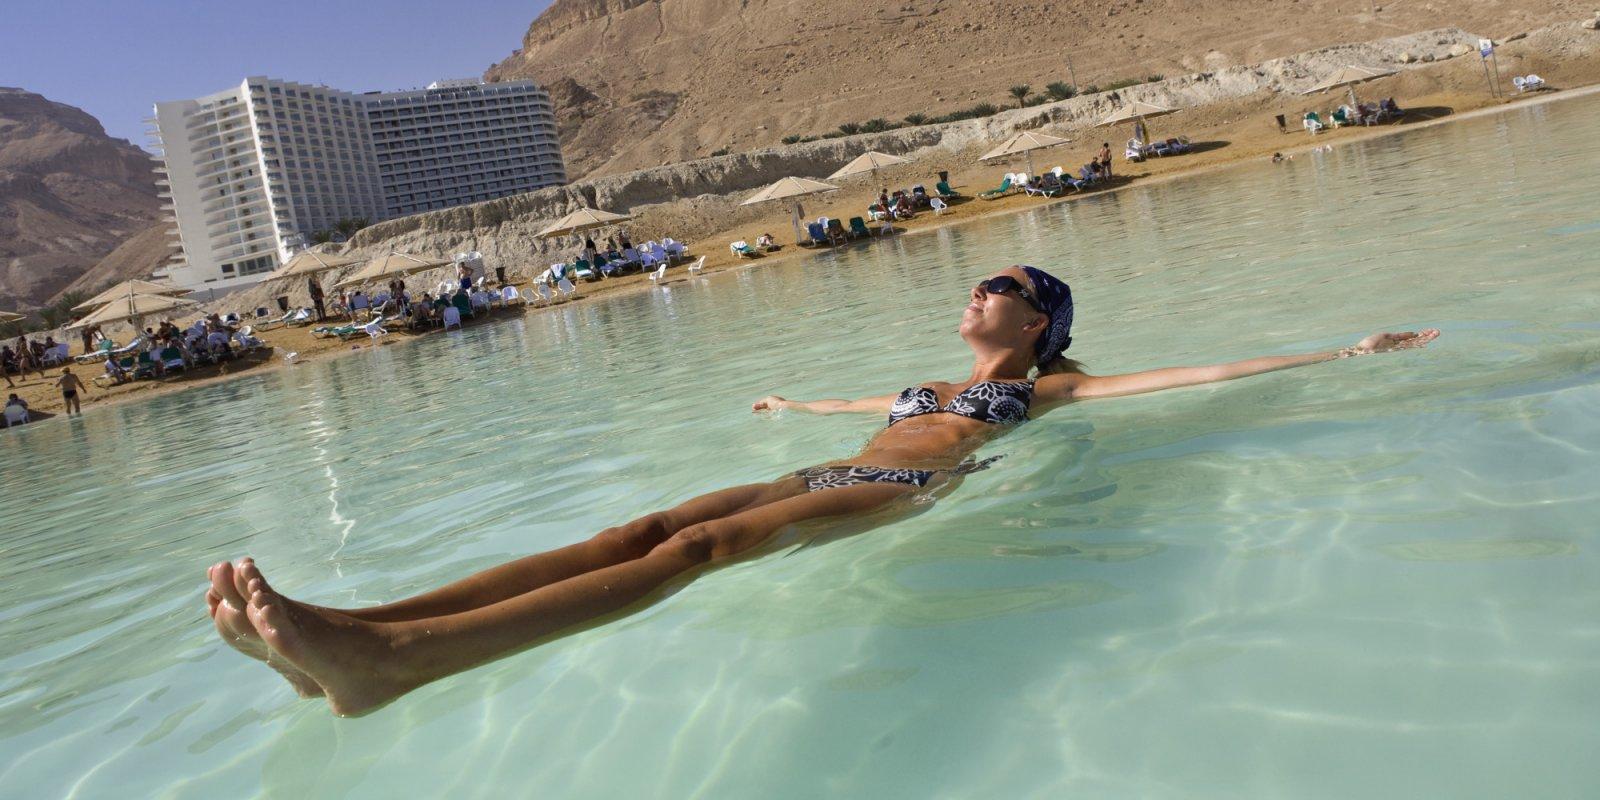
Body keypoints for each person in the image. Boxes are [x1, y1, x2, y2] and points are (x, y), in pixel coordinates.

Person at [203, 265, 1440, 716]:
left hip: (901, 490)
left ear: (1039, 322)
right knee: (641, 526)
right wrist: (789, 405)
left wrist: (1341, 351)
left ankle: (398, 662)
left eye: (1002, 285)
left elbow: (1194, 373)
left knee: (700, 552)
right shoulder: (924, 381)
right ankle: (349, 632)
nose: (978, 289)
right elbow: (856, 406)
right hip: (828, 464)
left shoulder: (1053, 388)